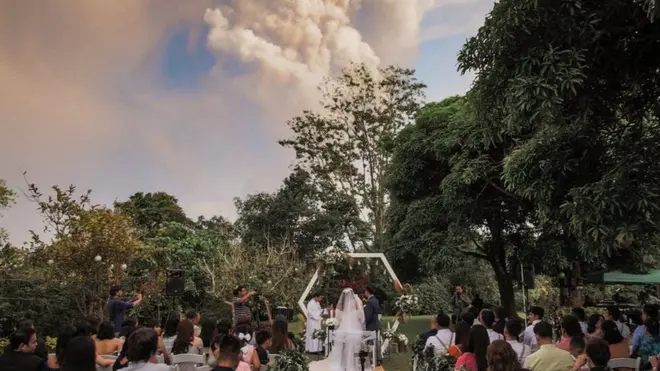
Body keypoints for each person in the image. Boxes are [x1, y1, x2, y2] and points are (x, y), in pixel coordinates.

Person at [308, 288, 369, 371]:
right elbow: (361, 317)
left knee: (341, 345)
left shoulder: (341, 305)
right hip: (355, 329)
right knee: (354, 345)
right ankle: (354, 364)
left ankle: (341, 363)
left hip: (343, 329)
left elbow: (338, 319)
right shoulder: (357, 302)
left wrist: (336, 323)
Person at [363, 285, 381, 364]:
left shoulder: (370, 302)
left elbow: (368, 316)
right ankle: (378, 358)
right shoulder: (376, 300)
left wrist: (364, 324)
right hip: (376, 324)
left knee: (370, 343)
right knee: (376, 342)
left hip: (371, 325)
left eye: (365, 292)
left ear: (367, 292)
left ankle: (370, 358)